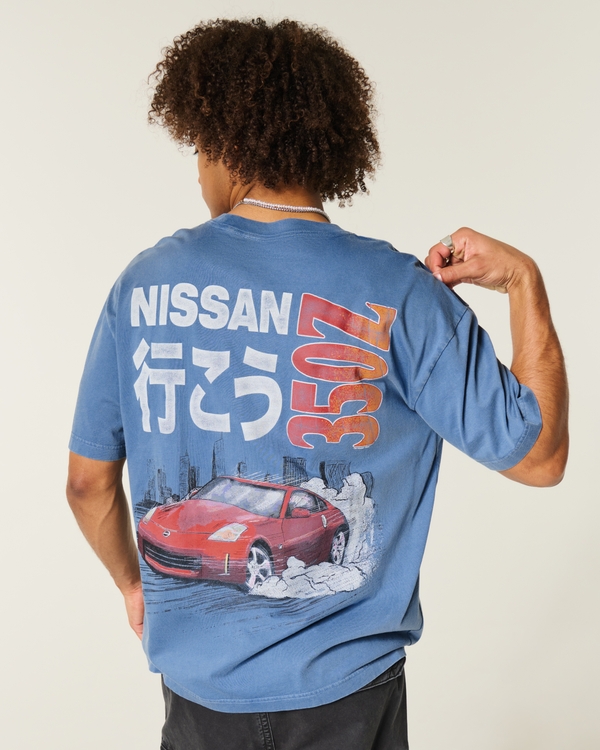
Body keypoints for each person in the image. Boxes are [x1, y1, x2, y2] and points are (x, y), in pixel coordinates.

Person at [66, 17, 568, 750]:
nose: (198, 171)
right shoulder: (399, 291)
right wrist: (524, 281)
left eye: (198, 147)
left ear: (226, 144)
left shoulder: (143, 286)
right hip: (352, 701)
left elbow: (87, 485)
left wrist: (131, 583)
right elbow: (540, 455)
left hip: (200, 703)